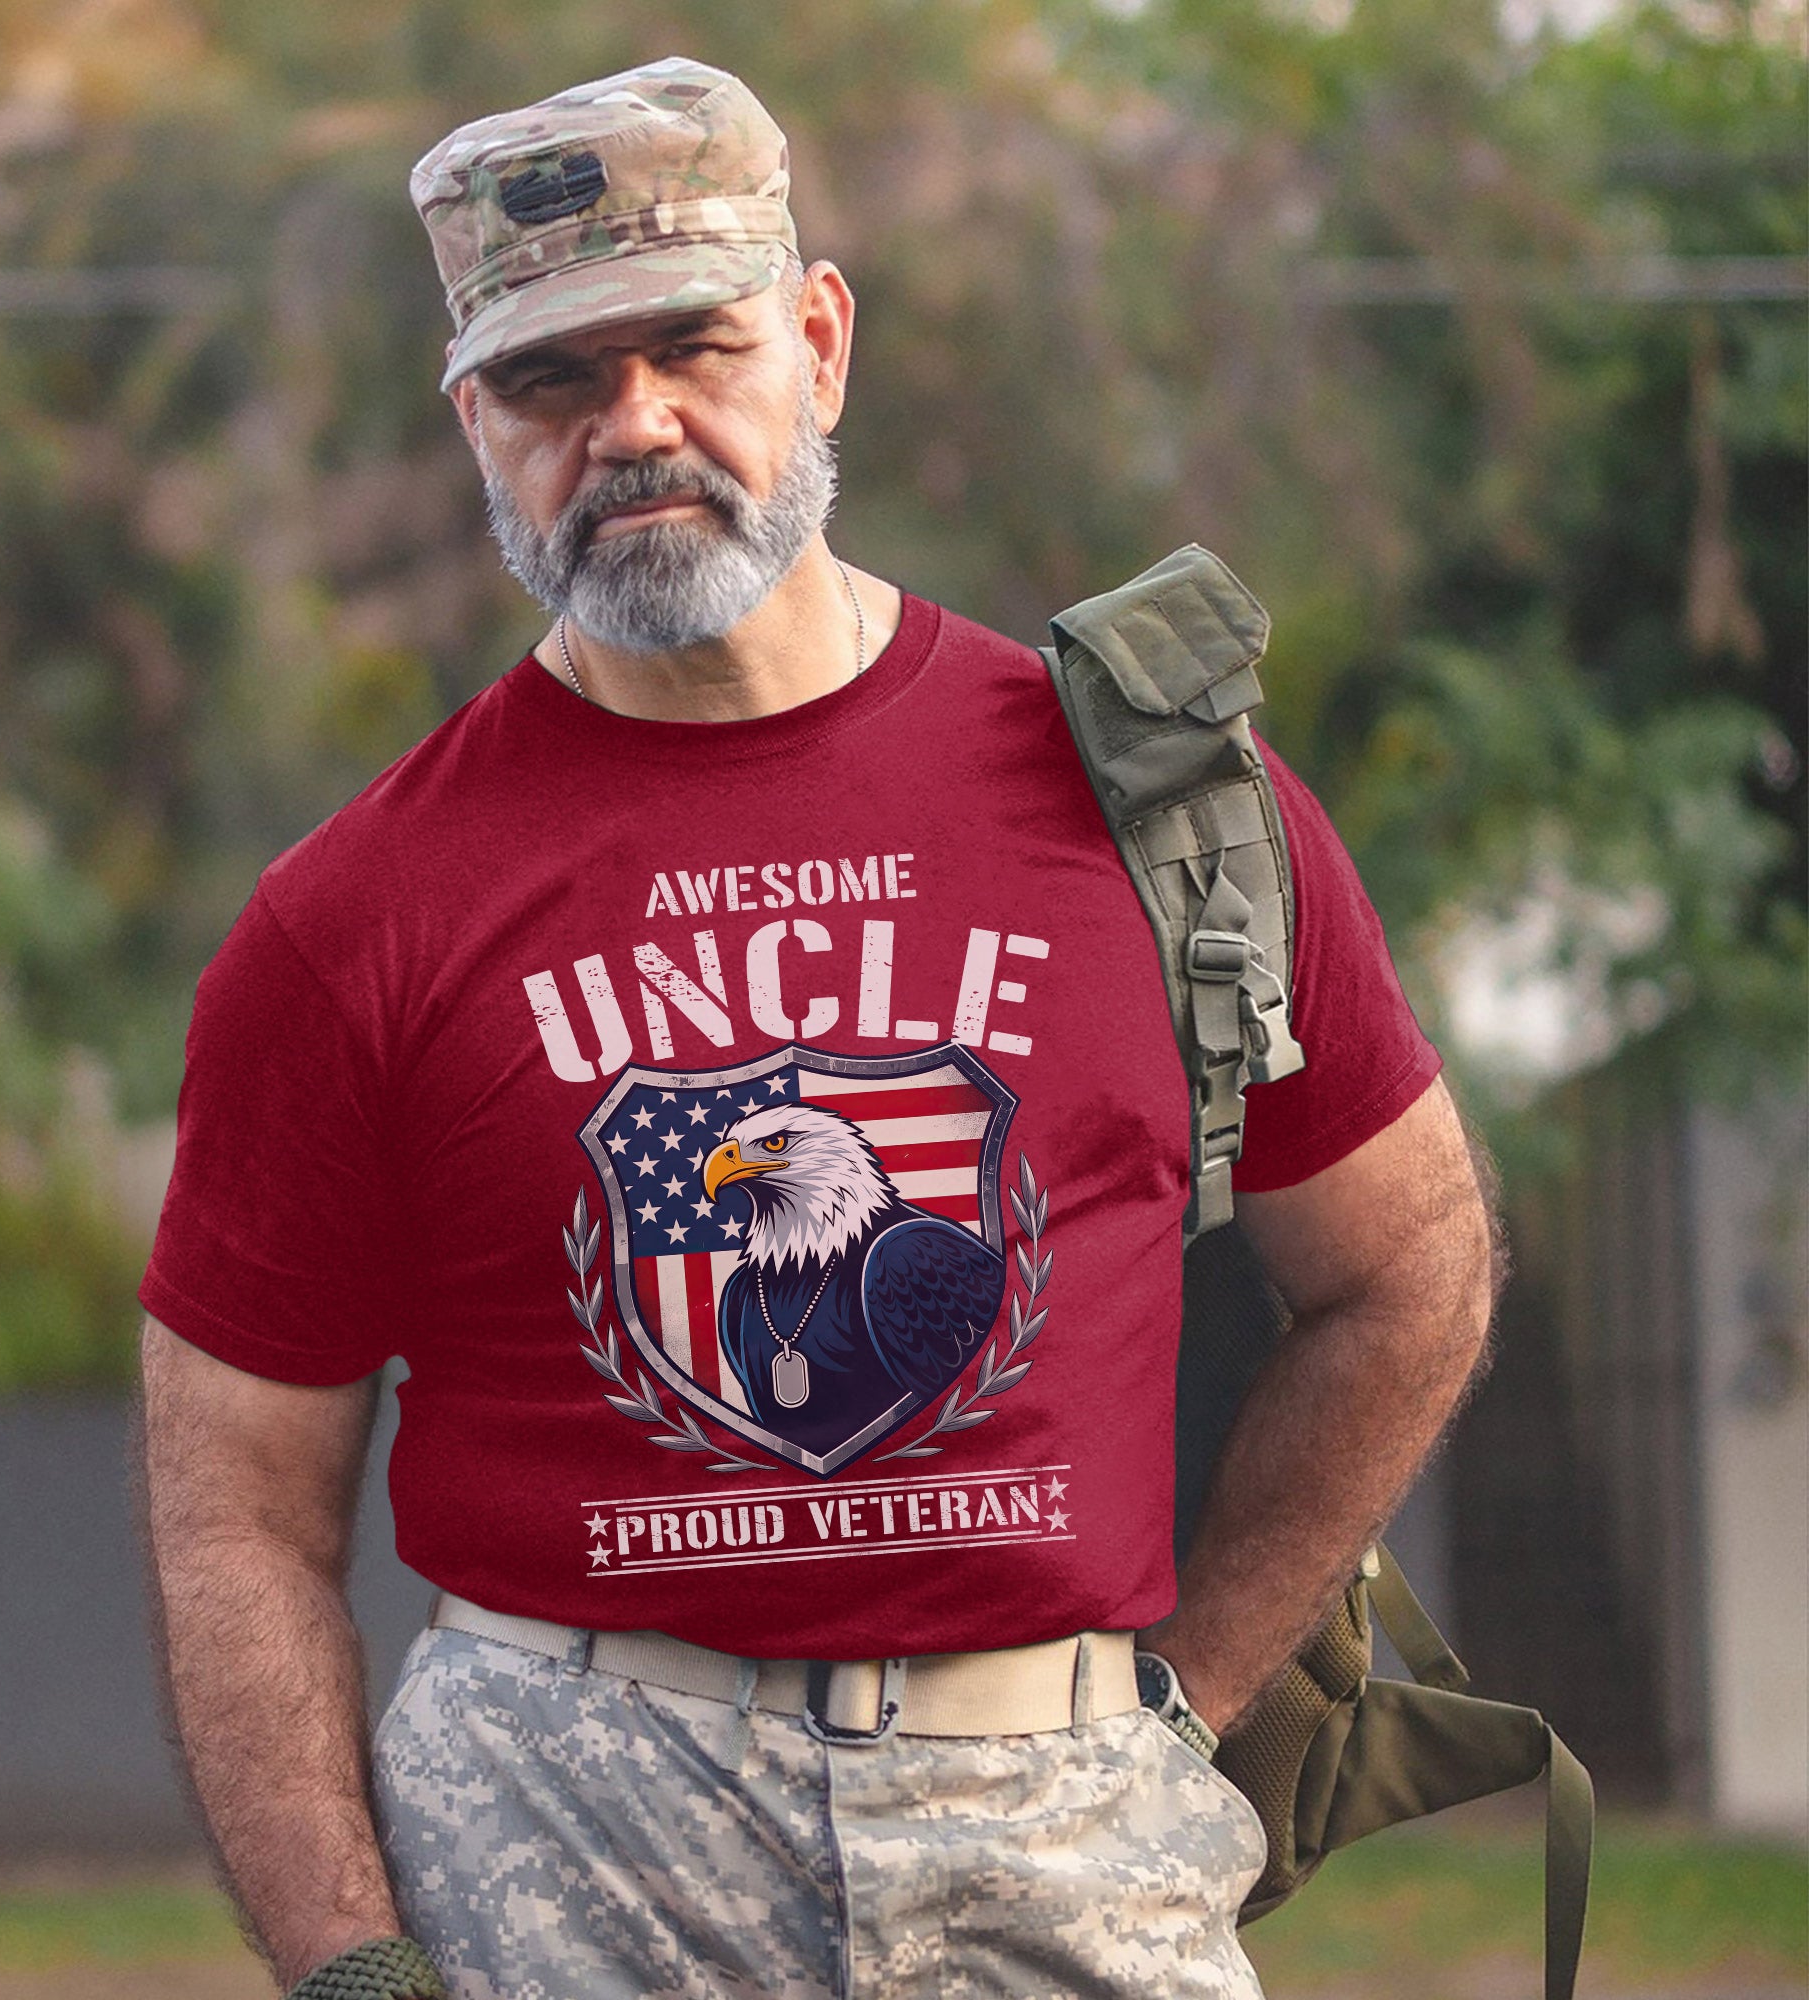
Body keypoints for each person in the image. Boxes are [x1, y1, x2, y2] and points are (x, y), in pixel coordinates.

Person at [134, 56, 1495, 2000]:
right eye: (550, 380)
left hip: (1063, 1841)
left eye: (695, 343)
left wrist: (1178, 1704)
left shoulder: (1164, 816)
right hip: (559, 1857)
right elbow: (238, 1516)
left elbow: (1408, 1268)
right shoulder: (353, 918)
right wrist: (349, 1957)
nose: (634, 424)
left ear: (823, 343)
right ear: (474, 423)